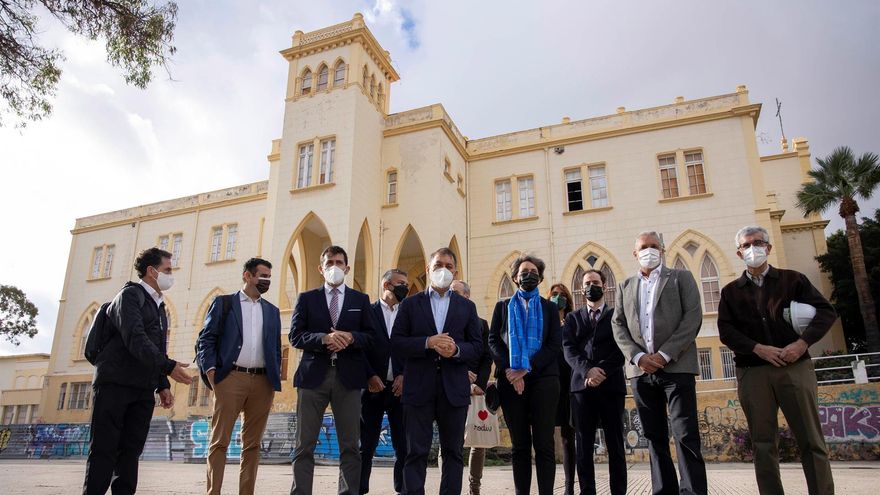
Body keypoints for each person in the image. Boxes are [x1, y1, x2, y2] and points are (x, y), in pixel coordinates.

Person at [718, 225, 836, 495]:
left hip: (795, 367)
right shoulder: (731, 292)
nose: (752, 249)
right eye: (746, 245)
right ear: (739, 253)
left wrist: (802, 343)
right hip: (754, 372)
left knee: (811, 440)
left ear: (768, 248)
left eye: (758, 243)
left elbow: (826, 312)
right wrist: (757, 348)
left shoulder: (793, 280)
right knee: (762, 444)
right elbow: (726, 330)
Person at [83, 247, 193, 495]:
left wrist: (162, 384)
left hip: (142, 388)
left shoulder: (159, 306)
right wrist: (168, 367)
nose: (171, 275)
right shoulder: (130, 296)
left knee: (131, 452)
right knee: (104, 449)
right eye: (168, 269)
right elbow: (136, 338)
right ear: (152, 271)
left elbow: (157, 348)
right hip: (115, 383)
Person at [611, 231, 707, 495]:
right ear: (635, 253)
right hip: (641, 373)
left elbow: (693, 318)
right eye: (644, 247)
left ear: (662, 250)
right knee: (654, 438)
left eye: (654, 246)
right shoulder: (625, 286)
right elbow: (618, 325)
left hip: (677, 368)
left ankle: (693, 491)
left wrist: (664, 355)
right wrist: (639, 357)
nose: (649, 251)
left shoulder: (681, 278)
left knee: (685, 435)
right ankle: (664, 491)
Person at [391, 248, 483, 495]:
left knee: (453, 453)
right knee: (415, 452)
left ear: (455, 271)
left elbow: (476, 346)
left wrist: (455, 350)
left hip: (453, 390)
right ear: (428, 268)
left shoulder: (467, 307)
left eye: (449, 266)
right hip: (418, 388)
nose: (443, 269)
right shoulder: (410, 304)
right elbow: (397, 342)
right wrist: (427, 342)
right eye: (438, 264)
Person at [289, 246, 377, 495]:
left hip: (348, 379)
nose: (334, 267)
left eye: (339, 262)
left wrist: (351, 337)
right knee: (304, 444)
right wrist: (324, 339)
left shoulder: (360, 300)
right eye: (329, 262)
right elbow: (295, 336)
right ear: (321, 268)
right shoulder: (307, 298)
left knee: (350, 445)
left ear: (347, 268)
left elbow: (371, 337)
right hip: (313, 377)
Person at [197, 257, 282, 495]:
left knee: (253, 445)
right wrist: (212, 372)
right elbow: (207, 339)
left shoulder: (272, 311)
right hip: (230, 378)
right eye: (262, 275)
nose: (266, 280)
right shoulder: (224, 303)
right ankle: (213, 492)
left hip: (263, 382)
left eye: (269, 277)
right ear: (247, 275)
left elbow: (275, 347)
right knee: (219, 442)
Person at [488, 254, 562, 495]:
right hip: (510, 382)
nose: (528, 275)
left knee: (544, 444)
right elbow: (493, 341)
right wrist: (511, 370)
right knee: (520, 445)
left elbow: (553, 344)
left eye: (533, 272)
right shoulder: (502, 307)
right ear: (515, 277)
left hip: (544, 380)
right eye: (523, 272)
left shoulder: (549, 308)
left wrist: (525, 368)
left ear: (540, 278)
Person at [563, 270, 627, 495]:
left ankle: (618, 491)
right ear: (582, 290)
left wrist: (602, 372)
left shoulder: (617, 315)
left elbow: (622, 348)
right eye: (588, 283)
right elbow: (569, 350)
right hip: (581, 389)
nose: (592, 286)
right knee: (583, 446)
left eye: (596, 282)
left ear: (605, 286)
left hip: (611, 387)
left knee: (616, 445)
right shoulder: (572, 318)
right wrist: (587, 370)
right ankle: (587, 491)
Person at [360, 268, 409, 495]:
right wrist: (370, 375)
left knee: (404, 446)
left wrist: (404, 375)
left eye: (406, 284)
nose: (405, 288)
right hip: (371, 389)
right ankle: (360, 489)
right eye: (400, 283)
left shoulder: (408, 313)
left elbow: (413, 348)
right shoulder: (367, 312)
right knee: (365, 446)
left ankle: (403, 489)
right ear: (386, 285)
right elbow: (359, 349)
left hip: (400, 389)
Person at [450, 280, 492, 495]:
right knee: (451, 440)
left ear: (467, 296)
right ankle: (450, 487)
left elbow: (486, 357)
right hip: (452, 385)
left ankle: (474, 487)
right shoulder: (443, 324)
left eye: (456, 292)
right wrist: (461, 375)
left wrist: (478, 384)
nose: (451, 295)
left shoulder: (481, 324)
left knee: (478, 440)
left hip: (476, 389)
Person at [548, 283, 577, 495]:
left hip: (569, 384)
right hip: (547, 383)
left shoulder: (573, 323)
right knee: (545, 436)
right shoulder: (542, 324)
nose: (558, 298)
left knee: (569, 438)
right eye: (554, 295)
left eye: (562, 295)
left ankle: (569, 488)